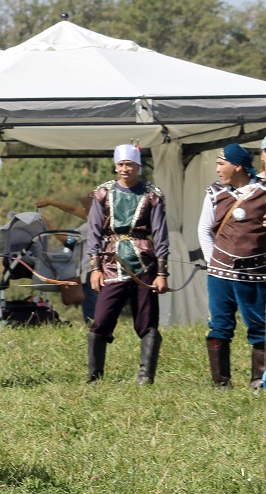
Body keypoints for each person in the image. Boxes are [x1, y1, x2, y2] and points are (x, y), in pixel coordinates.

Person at [198, 143, 266, 390]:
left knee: (260, 326)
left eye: (221, 163)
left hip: (256, 273)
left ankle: (259, 381)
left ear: (237, 166)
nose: (217, 169)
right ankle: (221, 383)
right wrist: (214, 262)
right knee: (220, 326)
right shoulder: (214, 192)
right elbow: (204, 230)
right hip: (219, 273)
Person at [86, 145, 169, 385]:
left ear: (137, 166)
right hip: (111, 262)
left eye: (129, 164)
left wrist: (162, 273)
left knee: (147, 321)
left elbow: (161, 235)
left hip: (144, 264)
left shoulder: (152, 195)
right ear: (115, 166)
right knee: (101, 320)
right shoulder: (103, 193)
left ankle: (146, 377)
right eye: (121, 164)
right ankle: (95, 378)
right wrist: (95, 268)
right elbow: (93, 231)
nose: (125, 169)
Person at [37, 192, 97, 322]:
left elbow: (65, 240)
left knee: (91, 312)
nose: (83, 210)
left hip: (91, 271)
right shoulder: (101, 221)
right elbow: (73, 209)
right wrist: (51, 202)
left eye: (86, 207)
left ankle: (94, 333)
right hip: (99, 270)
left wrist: (49, 225)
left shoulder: (89, 227)